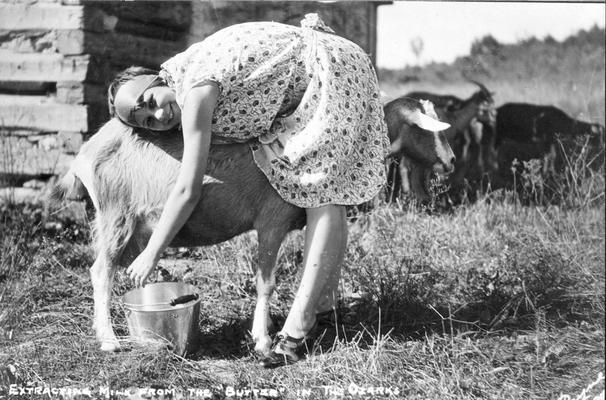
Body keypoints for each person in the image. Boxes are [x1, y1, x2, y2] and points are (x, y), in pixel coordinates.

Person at [107, 14, 389, 367]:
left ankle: (297, 330)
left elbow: (187, 191)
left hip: (331, 71)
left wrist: (152, 252)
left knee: (321, 192)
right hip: (329, 66)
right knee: (328, 191)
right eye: (146, 120)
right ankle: (326, 307)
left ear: (156, 79)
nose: (159, 115)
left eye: (149, 101)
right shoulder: (186, 72)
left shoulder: (194, 94)